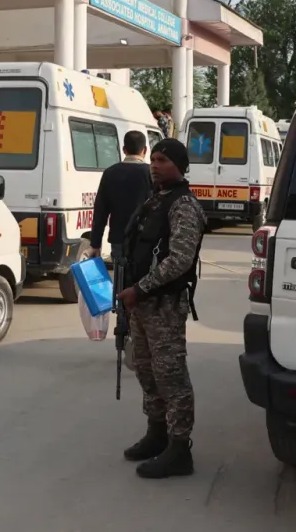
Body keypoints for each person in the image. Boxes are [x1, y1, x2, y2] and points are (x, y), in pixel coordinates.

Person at [117, 138, 207, 479]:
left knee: (171, 376)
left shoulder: (184, 205)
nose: (154, 165)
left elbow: (180, 260)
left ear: (179, 166)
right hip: (141, 304)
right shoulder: (156, 199)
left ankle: (180, 449)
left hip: (164, 304)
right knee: (146, 370)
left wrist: (140, 288)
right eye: (152, 159)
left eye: (162, 160)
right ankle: (157, 434)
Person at [88, 130, 151, 261]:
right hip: (145, 240)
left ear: (124, 149)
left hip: (118, 240)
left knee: (120, 273)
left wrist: (95, 243)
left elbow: (100, 211)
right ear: (145, 150)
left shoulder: (110, 173)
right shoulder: (151, 173)